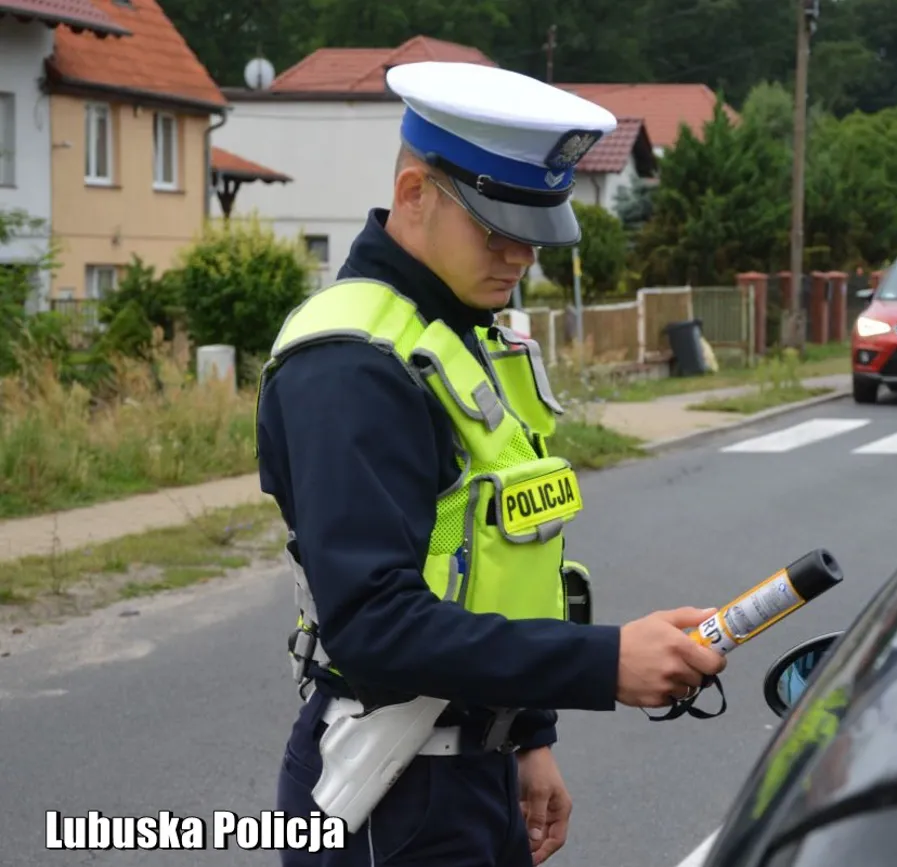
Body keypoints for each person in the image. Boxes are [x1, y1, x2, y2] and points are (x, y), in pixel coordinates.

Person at [255, 60, 727, 867]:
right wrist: (605, 661)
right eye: (497, 229)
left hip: (480, 768)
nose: (519, 257)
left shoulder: (468, 333)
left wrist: (528, 735)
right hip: (391, 792)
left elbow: (503, 559)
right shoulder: (352, 364)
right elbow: (375, 624)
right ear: (413, 195)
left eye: (534, 233)